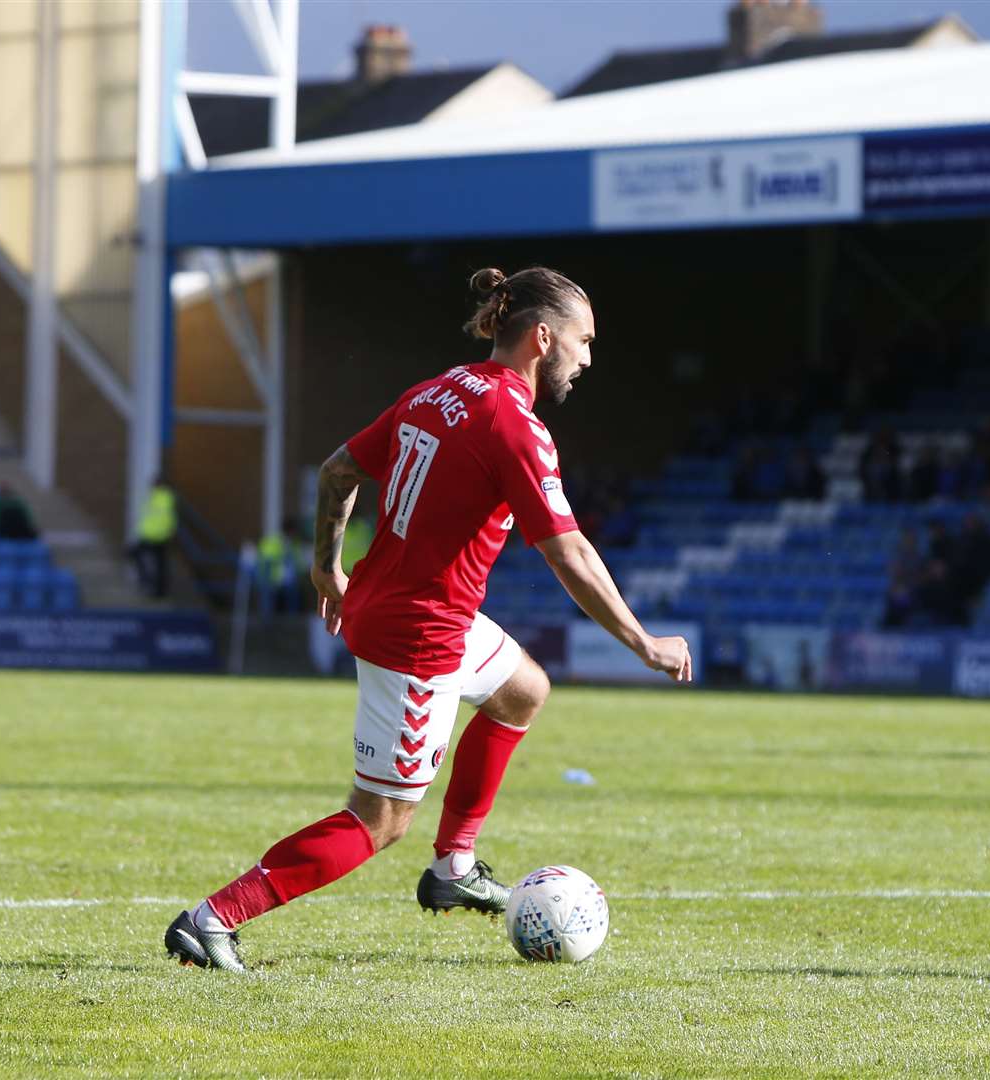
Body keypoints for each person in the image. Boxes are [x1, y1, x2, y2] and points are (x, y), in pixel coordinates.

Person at [164, 266, 692, 973]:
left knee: (522, 690)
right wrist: (642, 641)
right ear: (542, 338)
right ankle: (214, 919)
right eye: (584, 340)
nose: (589, 358)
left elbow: (336, 471)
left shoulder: (439, 389)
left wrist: (325, 564)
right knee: (379, 820)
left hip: (415, 606)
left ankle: (453, 868)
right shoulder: (515, 426)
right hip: (421, 635)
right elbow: (568, 553)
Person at [130, 473, 177, 597]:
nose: (151, 485)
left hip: (157, 536)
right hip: (153, 535)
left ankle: (153, 586)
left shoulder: (164, 498)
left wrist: (164, 533)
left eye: (154, 483)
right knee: (159, 563)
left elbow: (166, 519)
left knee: (138, 553)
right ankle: (155, 587)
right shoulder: (155, 496)